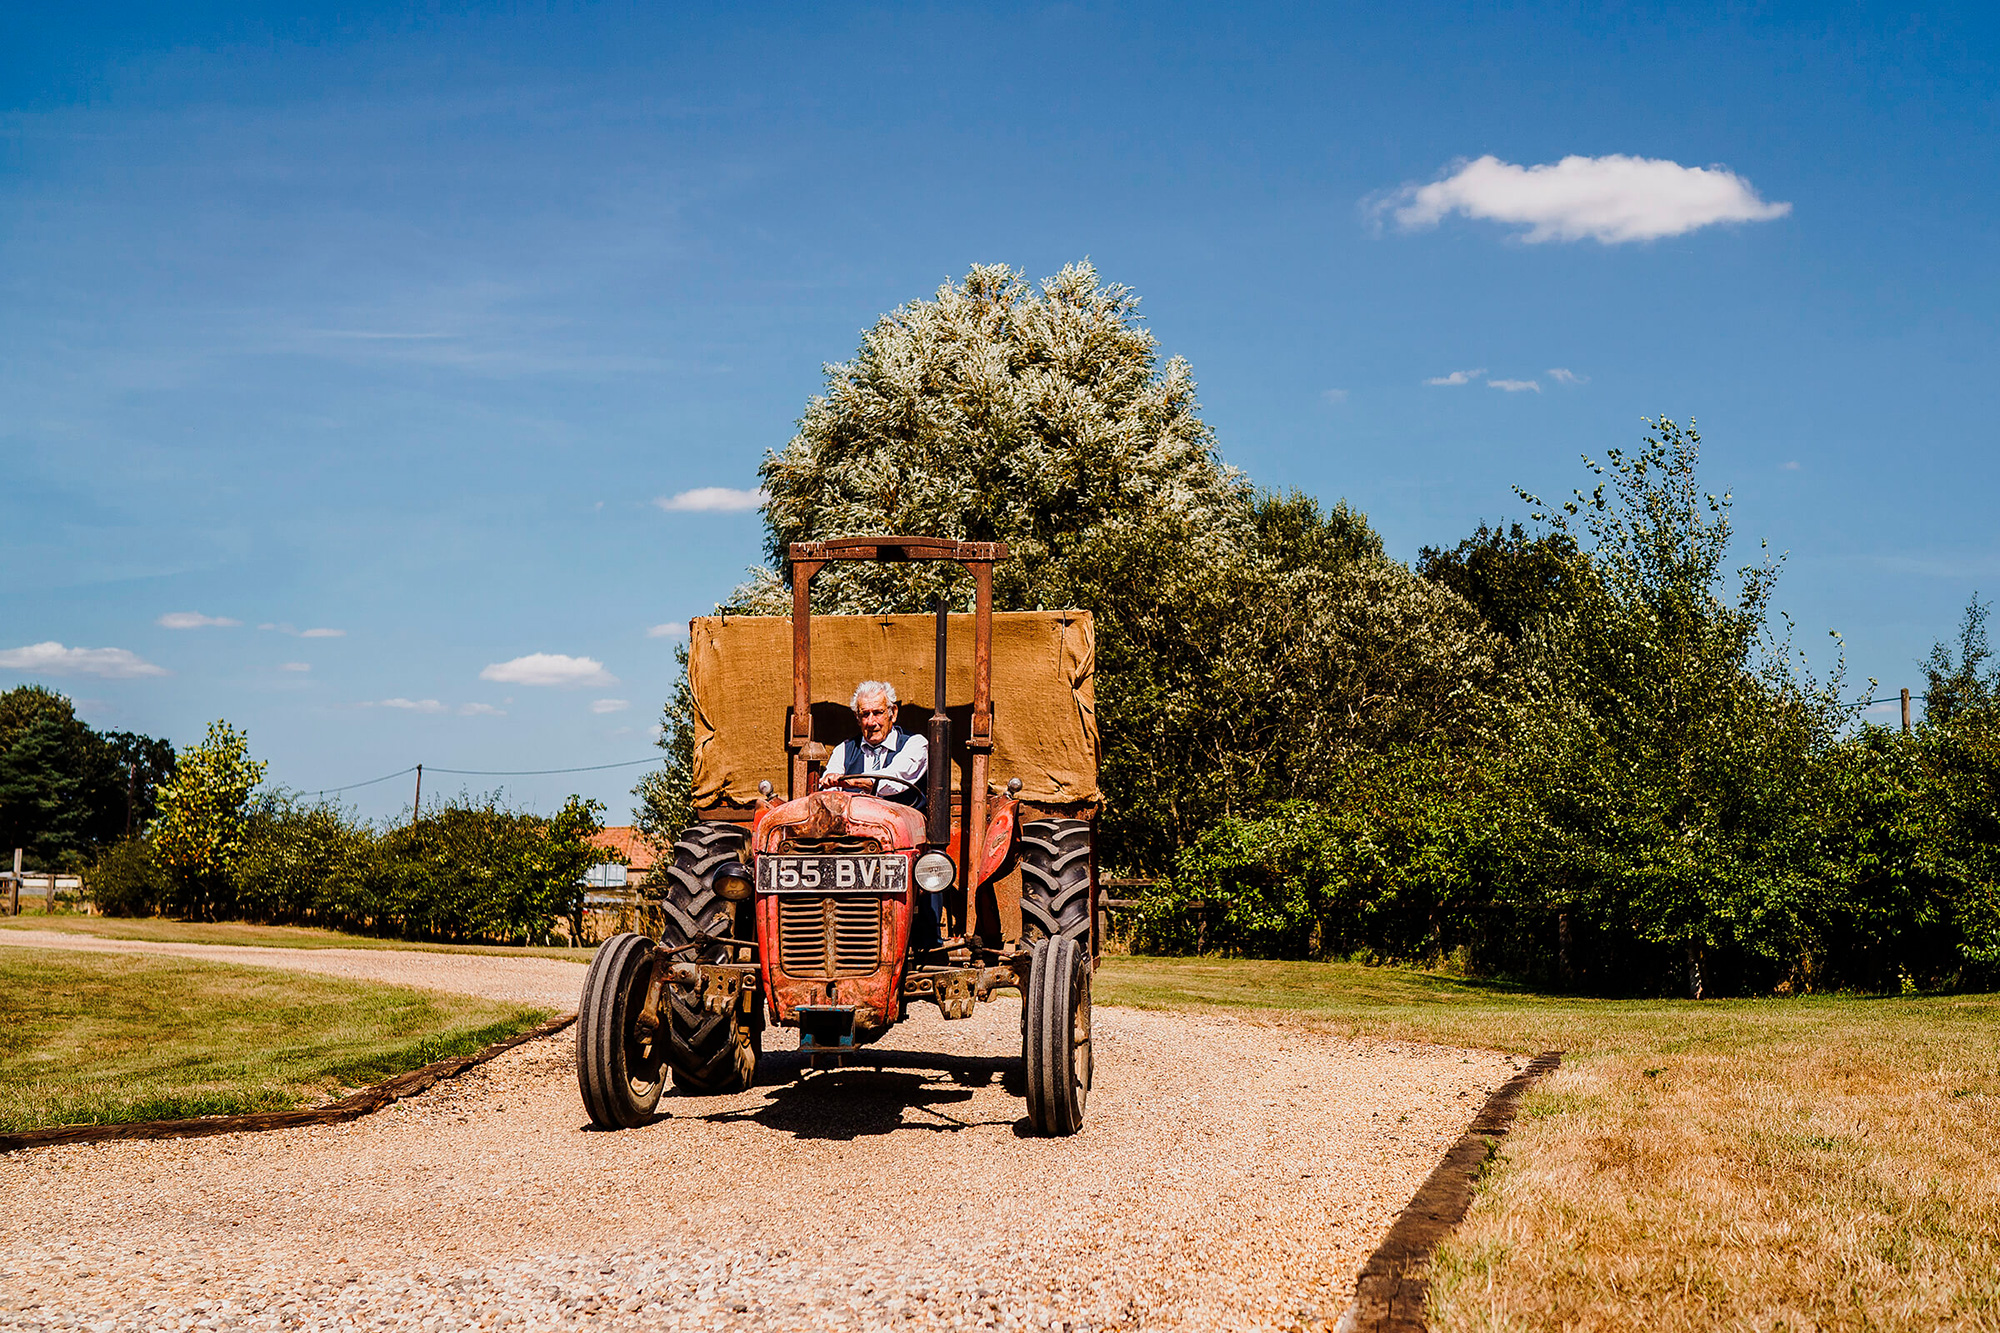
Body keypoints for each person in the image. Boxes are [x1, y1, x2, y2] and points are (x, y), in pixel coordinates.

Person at [818, 680, 929, 810]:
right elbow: (829, 789)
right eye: (865, 714)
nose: (871, 722)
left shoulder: (915, 744)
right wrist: (830, 780)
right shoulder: (843, 750)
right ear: (857, 718)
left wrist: (855, 781)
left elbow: (894, 778)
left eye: (877, 713)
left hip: (901, 826)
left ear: (893, 713)